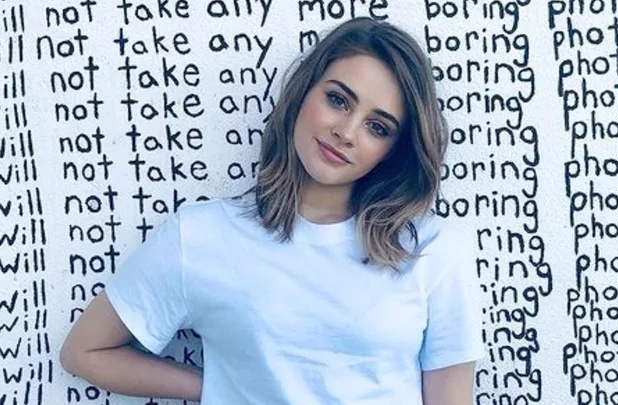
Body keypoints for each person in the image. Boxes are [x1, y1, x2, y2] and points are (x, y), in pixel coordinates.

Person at [60, 17, 485, 404]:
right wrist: (218, 388)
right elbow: (85, 351)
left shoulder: (434, 249)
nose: (346, 131)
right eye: (338, 100)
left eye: (378, 127)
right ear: (304, 92)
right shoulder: (199, 237)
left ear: (394, 150)